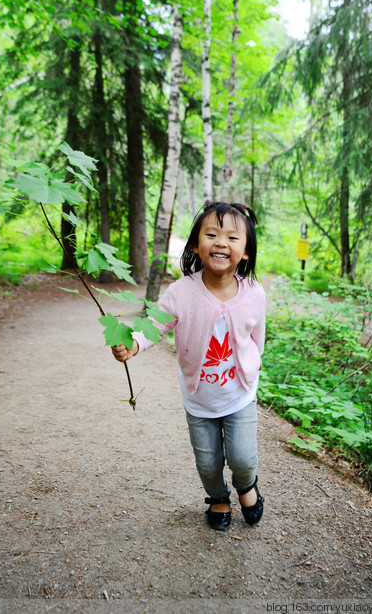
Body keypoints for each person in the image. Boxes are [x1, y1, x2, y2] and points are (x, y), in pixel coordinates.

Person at [111, 201, 266, 531]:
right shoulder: (182, 292)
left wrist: (253, 369)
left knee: (242, 457)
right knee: (208, 462)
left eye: (232, 238)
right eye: (211, 234)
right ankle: (218, 497)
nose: (221, 242)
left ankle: (247, 486)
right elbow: (156, 324)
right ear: (197, 245)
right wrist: (134, 344)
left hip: (240, 394)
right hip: (199, 398)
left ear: (247, 252)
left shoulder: (254, 293)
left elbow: (256, 339)